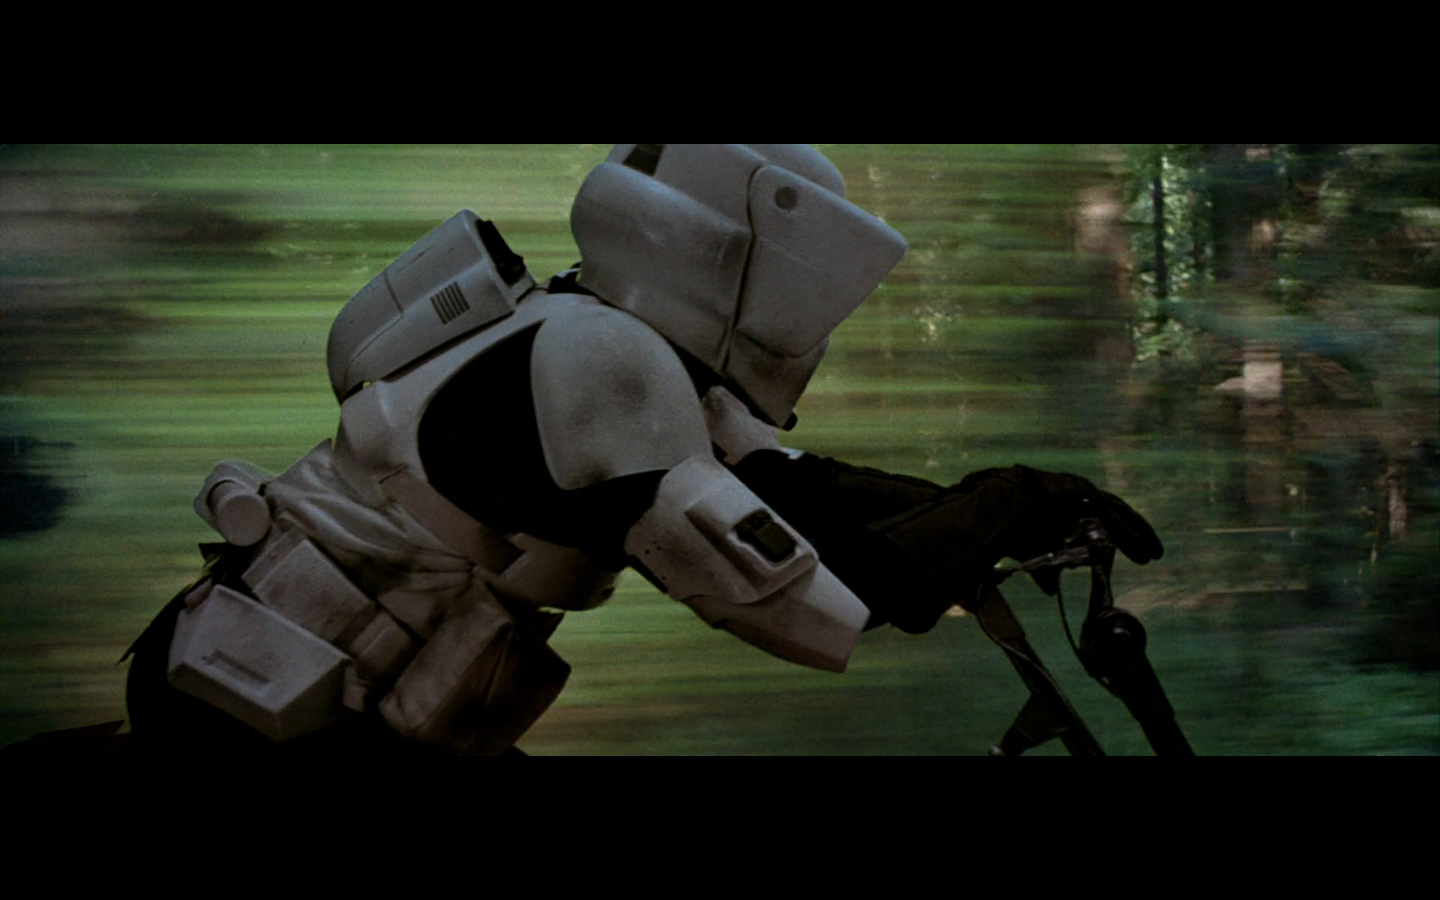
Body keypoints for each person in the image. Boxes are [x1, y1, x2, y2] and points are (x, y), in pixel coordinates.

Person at [122, 144, 1163, 756]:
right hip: (258, 716)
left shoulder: (591, 333)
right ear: (717, 246)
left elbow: (798, 492)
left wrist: (1011, 506)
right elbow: (808, 600)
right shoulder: (604, 366)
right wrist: (1001, 502)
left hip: (286, 696)